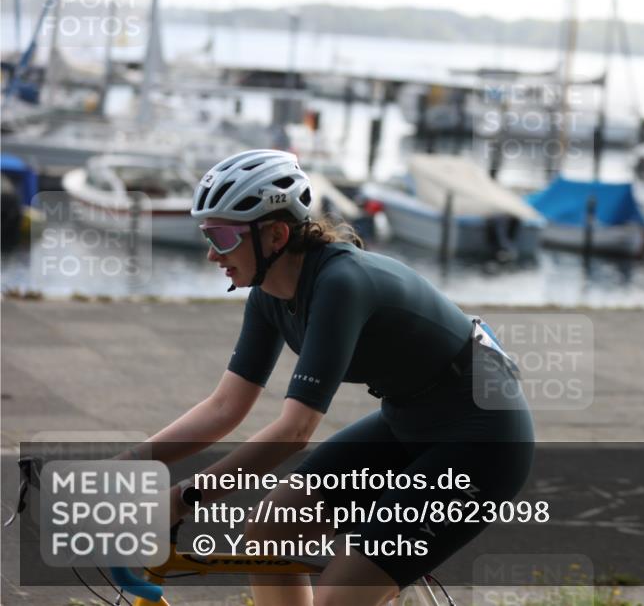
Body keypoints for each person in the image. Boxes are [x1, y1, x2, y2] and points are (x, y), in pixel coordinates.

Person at [140, 149, 535, 606]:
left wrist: (187, 497)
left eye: (223, 236)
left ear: (276, 235)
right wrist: (131, 463)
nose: (212, 253)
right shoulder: (269, 296)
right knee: (271, 527)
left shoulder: (341, 284)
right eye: (207, 235)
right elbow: (225, 406)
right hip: (410, 420)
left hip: (483, 440)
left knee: (338, 597)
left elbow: (294, 431)